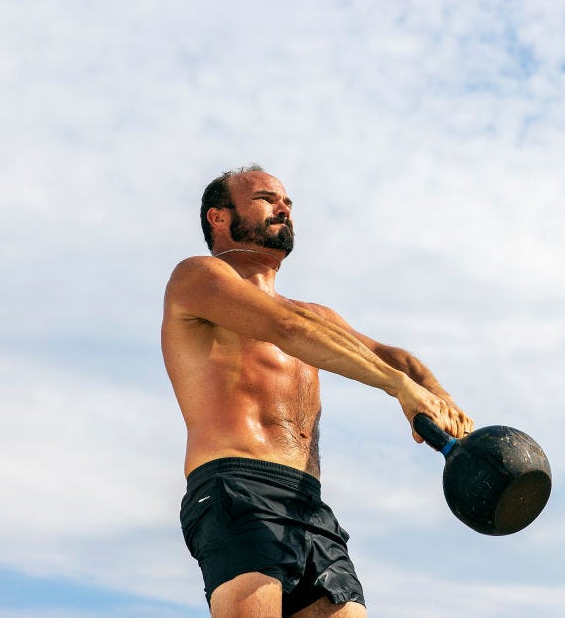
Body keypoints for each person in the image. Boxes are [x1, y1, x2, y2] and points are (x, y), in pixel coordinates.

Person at [161, 165, 473, 617]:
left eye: (288, 202)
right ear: (219, 218)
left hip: (309, 503)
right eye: (267, 199)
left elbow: (397, 359)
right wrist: (400, 388)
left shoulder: (315, 315)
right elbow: (284, 328)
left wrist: (443, 402)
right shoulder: (195, 278)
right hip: (237, 486)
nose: (283, 208)